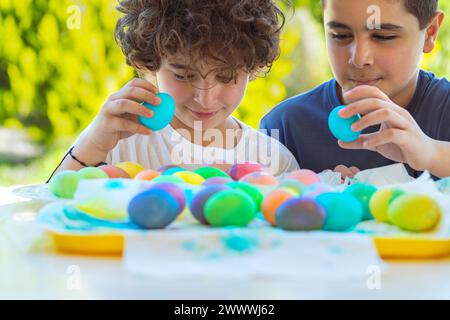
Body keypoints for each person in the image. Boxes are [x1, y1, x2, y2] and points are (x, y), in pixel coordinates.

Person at [49, 0, 299, 181]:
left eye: (227, 76)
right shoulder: (120, 141)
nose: (205, 98)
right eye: (183, 75)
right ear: (150, 62)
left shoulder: (274, 161)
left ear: (252, 67)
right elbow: (45, 210)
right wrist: (93, 143)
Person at [261, 0, 450, 179]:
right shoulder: (283, 127)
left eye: (383, 37)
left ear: (430, 32)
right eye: (340, 36)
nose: (359, 59)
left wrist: (433, 155)